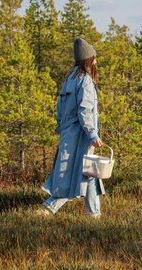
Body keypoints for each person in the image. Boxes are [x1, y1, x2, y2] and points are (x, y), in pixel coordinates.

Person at [38, 37, 105, 218]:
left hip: (70, 135)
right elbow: (85, 111)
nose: (96, 61)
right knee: (72, 175)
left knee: (90, 172)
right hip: (80, 137)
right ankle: (46, 210)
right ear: (88, 60)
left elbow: (59, 109)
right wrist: (92, 135)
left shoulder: (70, 79)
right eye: (94, 58)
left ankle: (94, 216)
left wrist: (63, 128)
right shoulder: (85, 81)